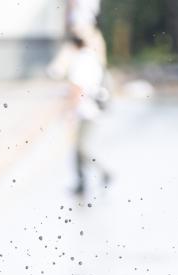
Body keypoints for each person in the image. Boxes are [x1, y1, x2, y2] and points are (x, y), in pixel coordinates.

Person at [65, 33, 111, 197]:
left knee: (80, 148)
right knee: (78, 149)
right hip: (94, 108)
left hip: (85, 110)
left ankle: (104, 172)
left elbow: (77, 88)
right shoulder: (92, 58)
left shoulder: (79, 61)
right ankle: (81, 182)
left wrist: (70, 111)